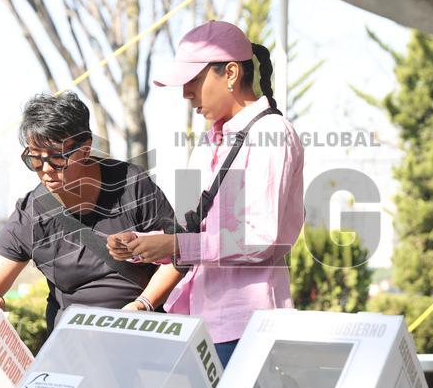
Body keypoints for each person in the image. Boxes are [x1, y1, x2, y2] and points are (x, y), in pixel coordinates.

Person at [106, 20, 305, 367]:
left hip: (248, 328)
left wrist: (175, 245)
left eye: (193, 81)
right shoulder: (209, 141)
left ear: (230, 73)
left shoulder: (272, 133)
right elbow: (193, 231)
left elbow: (261, 238)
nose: (186, 94)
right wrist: (145, 243)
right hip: (198, 324)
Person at [0, 92, 178, 331]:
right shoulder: (31, 213)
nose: (45, 170)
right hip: (72, 344)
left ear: (85, 149)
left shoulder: (131, 184)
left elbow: (179, 252)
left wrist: (142, 305)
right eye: (34, 160)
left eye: (57, 159)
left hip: (141, 330)